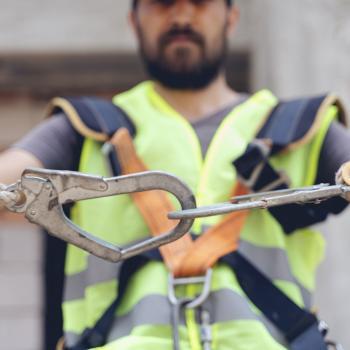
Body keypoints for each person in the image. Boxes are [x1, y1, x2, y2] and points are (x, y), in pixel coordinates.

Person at [1, 0, 350, 349]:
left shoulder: (302, 126)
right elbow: (11, 176)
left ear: (231, 16)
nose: (182, 16)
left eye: (199, 2)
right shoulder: (85, 127)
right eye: (162, 3)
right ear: (134, 20)